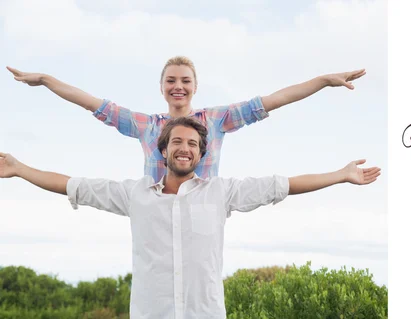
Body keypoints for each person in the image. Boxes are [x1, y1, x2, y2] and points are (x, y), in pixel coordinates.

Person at [0, 116, 380, 319]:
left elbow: (282, 185)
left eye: (193, 144)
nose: (185, 149)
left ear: (201, 154)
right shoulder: (134, 195)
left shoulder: (221, 193)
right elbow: (73, 185)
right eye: (178, 142)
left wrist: (340, 175)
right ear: (163, 149)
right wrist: (19, 168)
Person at [6, 57, 366, 181]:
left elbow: (275, 99)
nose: (178, 86)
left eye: (185, 81)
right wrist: (47, 81)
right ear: (162, 87)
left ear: (195, 87)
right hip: (157, 210)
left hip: (202, 209)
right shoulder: (145, 124)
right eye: (171, 81)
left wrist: (321, 82)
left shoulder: (218, 118)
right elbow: (92, 103)